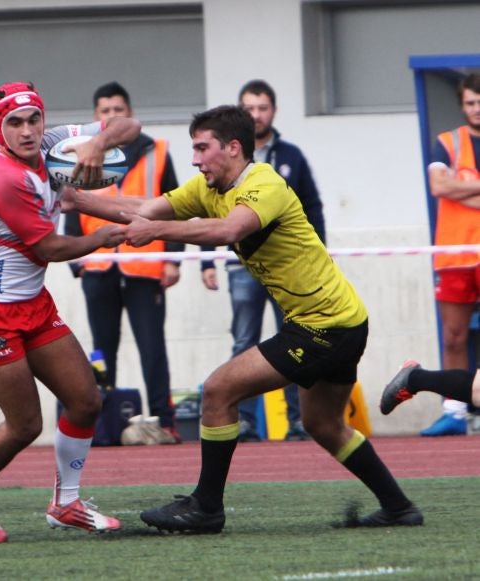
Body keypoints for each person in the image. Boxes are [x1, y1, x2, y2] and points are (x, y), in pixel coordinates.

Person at [64, 104, 422, 533]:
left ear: (233, 147)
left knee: (218, 391)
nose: (195, 159)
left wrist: (156, 232)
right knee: (323, 425)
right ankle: (398, 507)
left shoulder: (263, 183)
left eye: (202, 148)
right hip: (340, 321)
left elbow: (227, 231)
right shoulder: (208, 188)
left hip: (325, 326)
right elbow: (144, 207)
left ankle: (206, 508)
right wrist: (75, 198)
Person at [0, 81, 139, 543]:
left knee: (86, 399)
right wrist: (103, 238)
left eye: (34, 119)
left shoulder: (50, 142)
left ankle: (66, 503)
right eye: (14, 123)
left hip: (32, 306)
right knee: (25, 424)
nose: (28, 131)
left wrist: (97, 144)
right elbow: (48, 247)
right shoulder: (4, 179)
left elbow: (131, 125)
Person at [63, 81, 216, 444]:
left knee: (152, 347)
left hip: (146, 264)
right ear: (95, 117)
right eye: (105, 111)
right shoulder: (82, 154)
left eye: (118, 110)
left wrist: (173, 259)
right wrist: (77, 261)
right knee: (101, 350)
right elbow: (71, 205)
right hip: (98, 267)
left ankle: (165, 421)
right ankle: (103, 423)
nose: (112, 116)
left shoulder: (157, 151)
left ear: (128, 113)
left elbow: (179, 204)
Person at [231, 79, 326, 442]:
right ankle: (242, 421)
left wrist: (319, 255)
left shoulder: (291, 156)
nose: (256, 115)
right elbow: (205, 209)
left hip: (290, 268)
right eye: (249, 108)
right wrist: (208, 264)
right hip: (242, 267)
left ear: (273, 110)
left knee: (297, 339)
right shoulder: (231, 156)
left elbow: (313, 207)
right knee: (244, 340)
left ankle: (298, 420)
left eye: (262, 107)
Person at [418, 73, 480, 437]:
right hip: (454, 254)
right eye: (471, 102)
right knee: (454, 336)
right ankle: (455, 411)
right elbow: (438, 185)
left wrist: (463, 189)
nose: (477, 109)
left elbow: (451, 188)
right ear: (462, 104)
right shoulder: (447, 142)